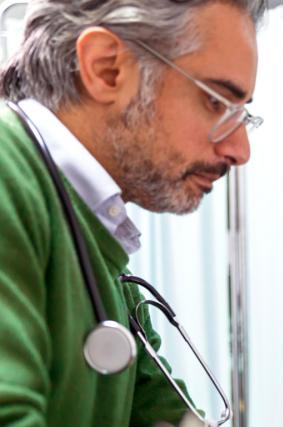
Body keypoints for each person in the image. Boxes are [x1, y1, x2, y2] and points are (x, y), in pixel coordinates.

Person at [0, 0, 265, 425]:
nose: (240, 150)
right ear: (107, 69)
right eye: (217, 103)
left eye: (242, 114)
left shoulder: (95, 234)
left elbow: (165, 418)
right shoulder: (9, 178)